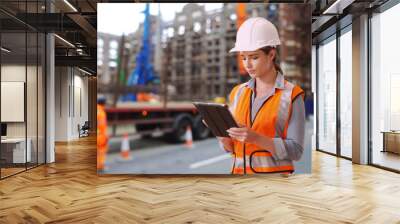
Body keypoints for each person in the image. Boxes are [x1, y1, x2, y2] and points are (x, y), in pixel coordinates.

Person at [219, 17, 305, 174]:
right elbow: (232, 148)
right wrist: (224, 139)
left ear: (271, 54)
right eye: (243, 57)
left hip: (274, 188)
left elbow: (296, 151)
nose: (247, 65)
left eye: (254, 57)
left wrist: (256, 138)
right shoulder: (238, 92)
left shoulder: (292, 95)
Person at [97, 96, 108, 172]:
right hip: (100, 136)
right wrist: (106, 137)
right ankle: (100, 166)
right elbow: (102, 127)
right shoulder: (101, 113)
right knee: (101, 151)